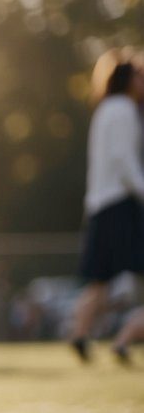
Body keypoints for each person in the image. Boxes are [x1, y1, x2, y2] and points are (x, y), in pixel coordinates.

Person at [68, 50, 144, 363]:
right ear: (128, 79)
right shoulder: (124, 109)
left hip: (100, 202)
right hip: (118, 203)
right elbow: (123, 160)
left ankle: (79, 335)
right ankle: (124, 339)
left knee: (99, 279)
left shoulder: (104, 110)